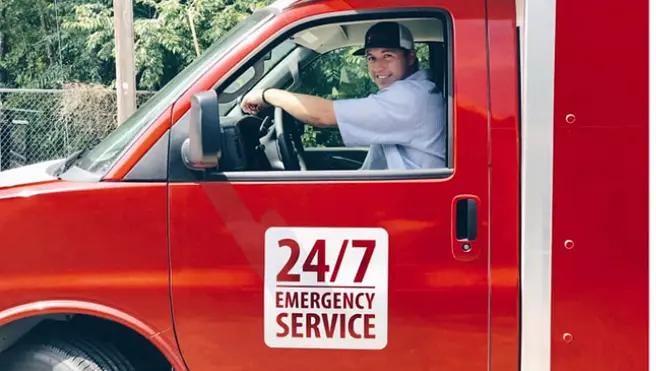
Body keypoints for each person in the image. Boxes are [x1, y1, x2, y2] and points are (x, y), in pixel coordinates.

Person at [240, 21, 446, 170]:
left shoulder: (410, 97)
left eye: (388, 56)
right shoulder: (416, 91)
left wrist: (266, 94)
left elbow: (323, 116)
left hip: (410, 208)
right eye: (371, 58)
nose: (378, 67)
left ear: (410, 57)